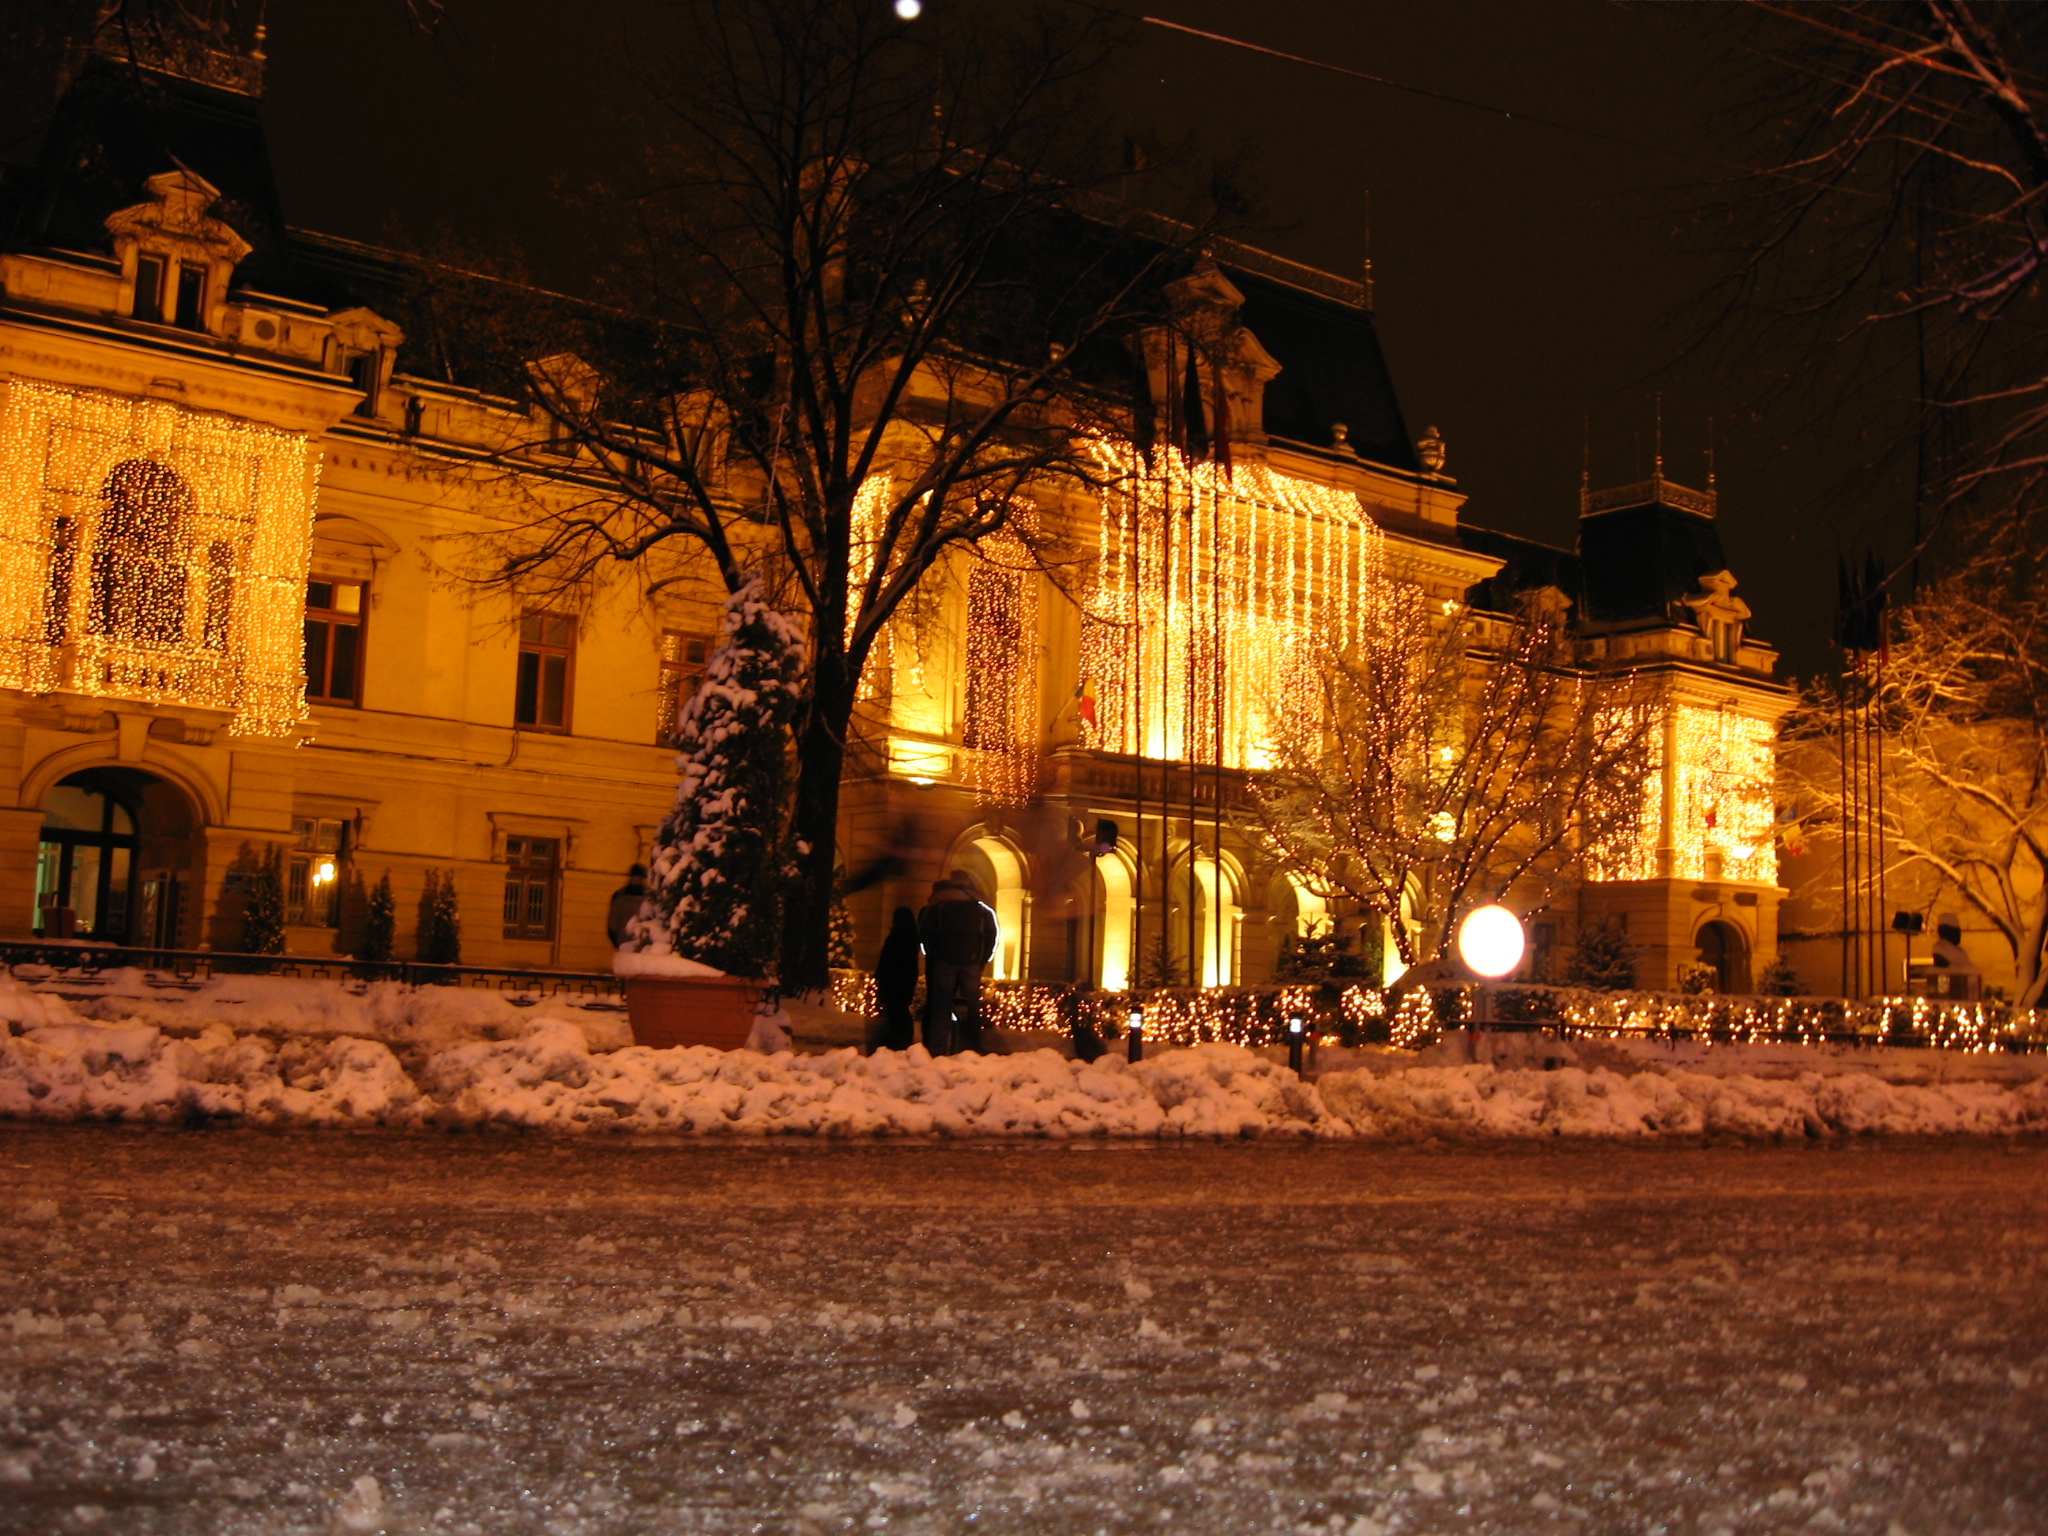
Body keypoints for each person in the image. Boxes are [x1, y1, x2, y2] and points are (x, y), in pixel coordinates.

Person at [918, 870, 998, 1055]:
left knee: (941, 1006)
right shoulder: (981, 908)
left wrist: (935, 954)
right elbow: (991, 935)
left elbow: (925, 933)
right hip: (971, 963)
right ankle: (971, 1048)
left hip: (944, 961)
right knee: (972, 1007)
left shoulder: (938, 905)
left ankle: (937, 1049)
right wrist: (981, 960)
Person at [872, 906, 922, 1053]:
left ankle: (895, 1040)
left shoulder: (896, 935)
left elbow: (887, 958)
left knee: (895, 1011)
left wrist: (880, 974)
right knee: (901, 1009)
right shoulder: (912, 936)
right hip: (906, 980)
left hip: (893, 980)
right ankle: (901, 1039)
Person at [606, 864, 648, 948]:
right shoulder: (649, 897)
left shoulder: (619, 896)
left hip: (623, 942)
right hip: (643, 944)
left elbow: (612, 925)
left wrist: (617, 942)